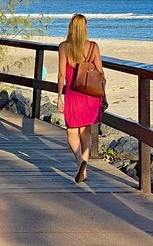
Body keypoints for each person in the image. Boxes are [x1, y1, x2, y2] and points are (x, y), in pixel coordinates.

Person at [57, 14, 104, 183]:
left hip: (72, 94)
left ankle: (79, 162)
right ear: (84, 28)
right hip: (90, 94)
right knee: (86, 131)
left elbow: (62, 74)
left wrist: (59, 96)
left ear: (71, 27)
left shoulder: (63, 47)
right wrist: (103, 93)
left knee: (71, 131)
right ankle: (84, 162)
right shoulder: (93, 47)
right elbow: (100, 72)